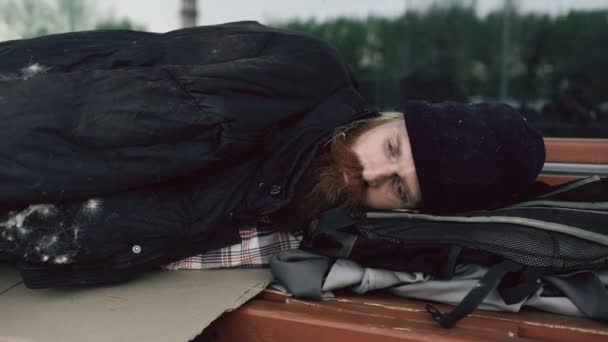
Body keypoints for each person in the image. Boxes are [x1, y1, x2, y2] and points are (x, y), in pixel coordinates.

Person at [0, 21, 545, 288]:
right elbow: (98, 116)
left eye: (398, 187)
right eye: (393, 147)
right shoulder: (306, 76)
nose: (373, 171)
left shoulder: (306, 210)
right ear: (387, 118)